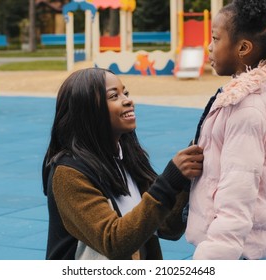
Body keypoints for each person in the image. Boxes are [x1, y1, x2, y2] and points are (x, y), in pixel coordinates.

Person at [42, 67, 203, 260]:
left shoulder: (127, 157)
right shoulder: (69, 174)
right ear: (87, 109)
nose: (128, 100)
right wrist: (169, 181)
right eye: (114, 96)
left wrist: (184, 180)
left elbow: (167, 227)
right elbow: (114, 242)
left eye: (125, 93)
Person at [185, 0, 266, 260]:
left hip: (235, 248)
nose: (209, 47)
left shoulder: (247, 108)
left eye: (215, 39)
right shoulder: (248, 94)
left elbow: (239, 188)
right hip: (243, 243)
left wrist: (214, 257)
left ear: (243, 48)